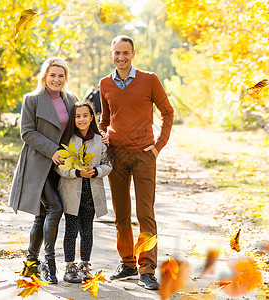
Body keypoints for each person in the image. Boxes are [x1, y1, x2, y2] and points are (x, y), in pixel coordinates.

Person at [99, 35, 174, 290]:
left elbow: (167, 112)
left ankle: (147, 268)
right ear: (112, 54)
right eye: (117, 53)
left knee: (145, 214)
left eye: (126, 53)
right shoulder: (105, 84)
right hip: (116, 156)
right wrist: (102, 136)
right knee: (121, 214)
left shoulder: (149, 80)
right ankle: (128, 263)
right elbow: (105, 119)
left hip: (144, 155)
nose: (121, 57)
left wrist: (158, 147)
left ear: (133, 54)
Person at [8, 57, 78, 284]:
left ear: (66, 78)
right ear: (44, 76)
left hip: (61, 167)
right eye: (52, 75)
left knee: (41, 215)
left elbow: (78, 129)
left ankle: (31, 263)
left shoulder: (72, 100)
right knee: (55, 208)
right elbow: (27, 132)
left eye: (61, 75)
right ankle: (49, 263)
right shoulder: (32, 100)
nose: (56, 79)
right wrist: (52, 150)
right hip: (37, 164)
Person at [56, 101, 112, 283]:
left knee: (87, 230)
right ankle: (69, 266)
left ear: (91, 117)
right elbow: (59, 168)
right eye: (77, 116)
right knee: (71, 230)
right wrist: (76, 172)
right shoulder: (67, 139)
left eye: (85, 116)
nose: (81, 119)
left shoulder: (99, 140)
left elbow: (108, 164)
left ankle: (85, 264)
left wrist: (96, 171)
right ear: (73, 118)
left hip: (91, 193)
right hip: (71, 192)